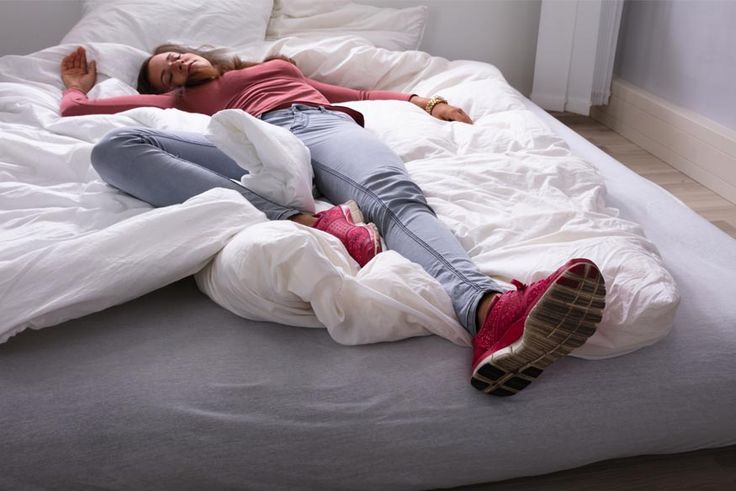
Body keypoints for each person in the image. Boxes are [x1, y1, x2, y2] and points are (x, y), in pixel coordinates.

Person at [60, 45, 607, 396]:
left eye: (175, 55)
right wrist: (77, 85)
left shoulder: (275, 65)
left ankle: (489, 311)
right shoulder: (184, 100)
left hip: (320, 125)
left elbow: (355, 94)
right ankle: (304, 220)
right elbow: (79, 114)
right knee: (117, 146)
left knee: (393, 198)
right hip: (254, 144)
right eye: (163, 70)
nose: (175, 63)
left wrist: (425, 100)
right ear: (164, 85)